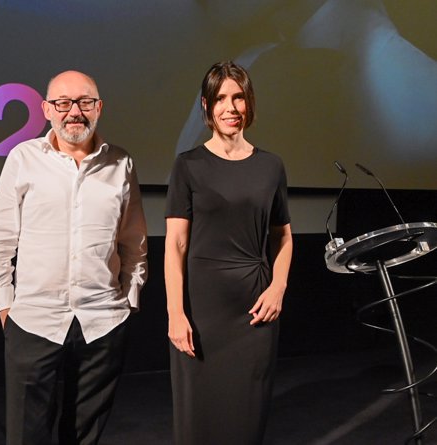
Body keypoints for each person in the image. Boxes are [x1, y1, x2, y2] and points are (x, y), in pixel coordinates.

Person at [0, 70, 148, 445]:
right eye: (63, 103)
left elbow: (134, 243)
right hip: (33, 320)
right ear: (47, 109)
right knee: (26, 436)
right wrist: (6, 307)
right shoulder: (23, 158)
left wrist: (128, 301)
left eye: (85, 102)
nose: (75, 111)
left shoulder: (121, 164)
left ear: (99, 107)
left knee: (84, 436)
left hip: (103, 322)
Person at [164, 61, 293, 445]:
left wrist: (278, 287)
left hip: (255, 311)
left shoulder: (271, 166)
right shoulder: (188, 165)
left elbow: (283, 238)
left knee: (246, 419)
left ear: (249, 103)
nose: (230, 107)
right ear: (206, 107)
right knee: (198, 417)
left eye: (237, 97)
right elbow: (175, 244)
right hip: (202, 313)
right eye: (220, 98)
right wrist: (175, 312)